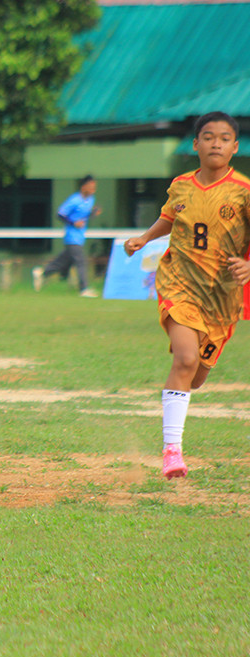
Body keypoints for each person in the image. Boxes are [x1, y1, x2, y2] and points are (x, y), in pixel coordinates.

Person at [124, 111, 250, 479]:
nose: (215, 143)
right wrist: (144, 238)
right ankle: (171, 453)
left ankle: (176, 408)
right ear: (195, 144)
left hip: (223, 297)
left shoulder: (243, 192)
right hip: (179, 283)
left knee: (195, 376)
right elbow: (170, 216)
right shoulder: (181, 185)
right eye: (208, 137)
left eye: (224, 138)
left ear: (235, 147)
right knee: (184, 359)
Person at [33, 175, 103, 297]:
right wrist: (73, 223)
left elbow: (84, 217)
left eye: (94, 187)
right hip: (72, 237)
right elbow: (60, 214)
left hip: (80, 237)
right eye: (91, 187)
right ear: (83, 186)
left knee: (63, 262)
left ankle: (42, 273)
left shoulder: (91, 200)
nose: (93, 190)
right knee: (81, 261)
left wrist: (93, 213)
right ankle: (84, 289)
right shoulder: (74, 200)